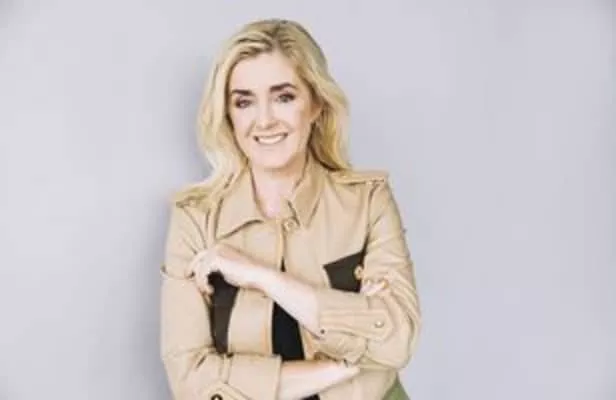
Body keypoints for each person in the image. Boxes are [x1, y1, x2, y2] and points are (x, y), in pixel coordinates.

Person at [159, 18, 421, 400]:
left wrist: (262, 277)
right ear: (228, 116)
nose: (264, 120)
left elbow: (399, 339)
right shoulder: (195, 218)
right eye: (244, 102)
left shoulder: (368, 201)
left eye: (283, 97)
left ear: (316, 104)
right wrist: (343, 364)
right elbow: (191, 381)